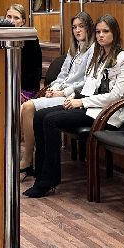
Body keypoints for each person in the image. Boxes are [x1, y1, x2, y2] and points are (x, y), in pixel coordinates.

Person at [24, 14, 124, 198]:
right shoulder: (98, 56)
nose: (101, 35)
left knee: (51, 120)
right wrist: (70, 97)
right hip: (87, 106)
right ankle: (41, 173)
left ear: (115, 33)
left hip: (105, 113)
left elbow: (116, 95)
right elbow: (87, 87)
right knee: (40, 115)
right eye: (98, 32)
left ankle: (47, 181)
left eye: (105, 31)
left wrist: (81, 102)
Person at [19, 11, 96, 173]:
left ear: (89, 28)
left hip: (74, 97)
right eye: (74, 27)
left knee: (27, 107)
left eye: (81, 26)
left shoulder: (93, 50)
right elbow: (62, 75)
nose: (77, 30)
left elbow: (87, 82)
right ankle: (31, 156)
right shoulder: (74, 48)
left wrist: (62, 92)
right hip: (61, 93)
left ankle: (28, 158)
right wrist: (53, 89)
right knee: (24, 109)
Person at [2, 4, 43, 98]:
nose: (11, 21)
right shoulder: (1, 37)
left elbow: (33, 73)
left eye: (16, 18)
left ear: (22, 22)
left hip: (25, 88)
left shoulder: (30, 39)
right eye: (9, 17)